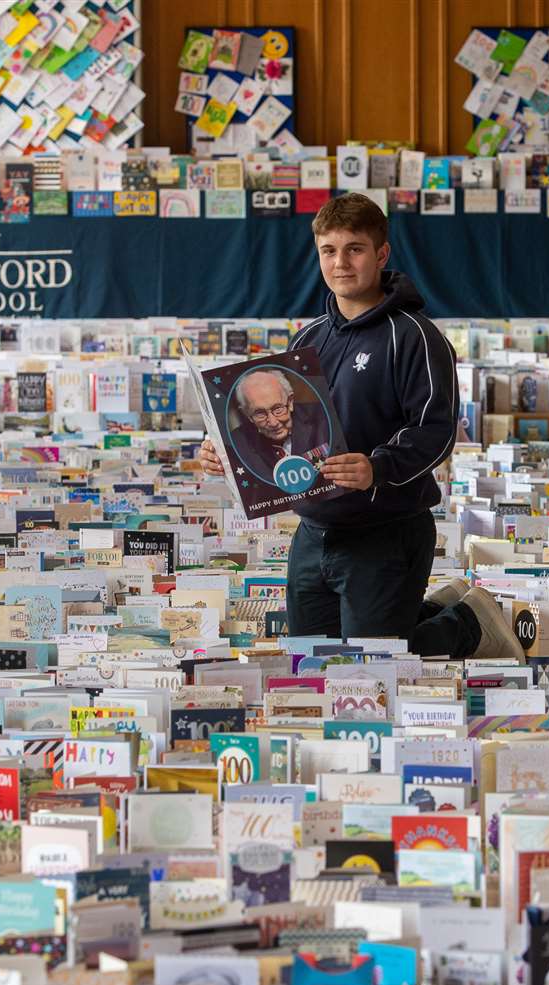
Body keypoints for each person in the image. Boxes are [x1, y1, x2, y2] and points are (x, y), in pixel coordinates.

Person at [198, 192, 522, 659]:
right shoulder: (308, 338)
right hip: (314, 528)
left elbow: (436, 430)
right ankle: (434, 612)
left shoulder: (415, 335)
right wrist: (221, 450)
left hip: (385, 528)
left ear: (381, 254)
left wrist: (377, 467)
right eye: (329, 250)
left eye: (355, 249)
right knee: (310, 660)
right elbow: (284, 430)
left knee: (373, 666)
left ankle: (466, 625)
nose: (341, 263)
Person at [227, 368, 331, 479]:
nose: (273, 422)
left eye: (278, 409)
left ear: (290, 402)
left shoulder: (323, 419)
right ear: (247, 414)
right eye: (260, 414)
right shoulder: (236, 444)